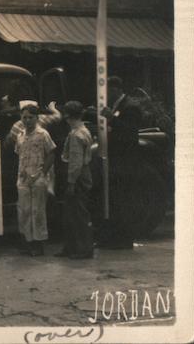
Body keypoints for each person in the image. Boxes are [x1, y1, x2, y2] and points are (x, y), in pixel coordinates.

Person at [98, 76, 142, 249]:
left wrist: (112, 119)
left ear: (115, 89)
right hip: (115, 160)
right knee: (114, 199)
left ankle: (124, 239)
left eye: (108, 90)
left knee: (124, 200)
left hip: (126, 161)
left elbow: (131, 132)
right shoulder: (118, 106)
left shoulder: (130, 107)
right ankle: (113, 238)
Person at [14, 104, 56, 256]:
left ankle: (39, 243)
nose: (27, 120)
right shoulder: (20, 135)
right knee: (24, 210)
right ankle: (27, 241)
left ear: (37, 118)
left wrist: (42, 172)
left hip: (38, 177)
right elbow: (19, 154)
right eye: (24, 117)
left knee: (37, 211)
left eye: (30, 117)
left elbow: (51, 153)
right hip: (24, 178)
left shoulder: (42, 134)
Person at [56, 101, 94, 259]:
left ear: (68, 116)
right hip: (83, 174)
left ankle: (82, 249)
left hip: (77, 177)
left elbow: (75, 163)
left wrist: (71, 182)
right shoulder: (84, 131)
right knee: (74, 213)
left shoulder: (75, 135)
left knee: (76, 214)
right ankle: (73, 247)